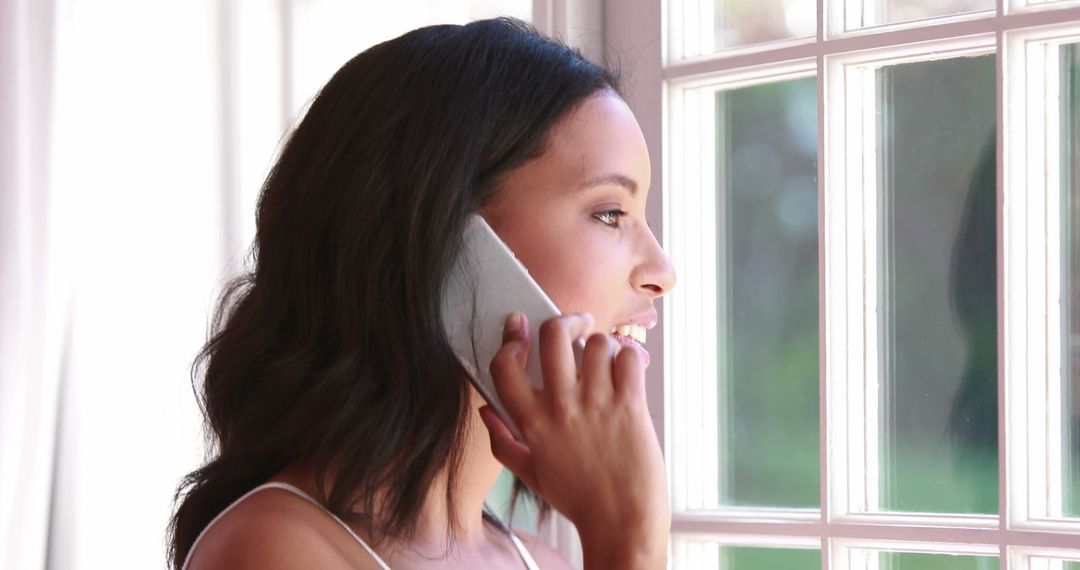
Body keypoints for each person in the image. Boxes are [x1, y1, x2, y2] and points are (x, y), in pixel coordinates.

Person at [168, 17, 676, 569]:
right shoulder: (274, 550)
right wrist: (631, 542)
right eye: (609, 213)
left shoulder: (542, 561)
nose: (662, 272)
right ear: (451, 246)